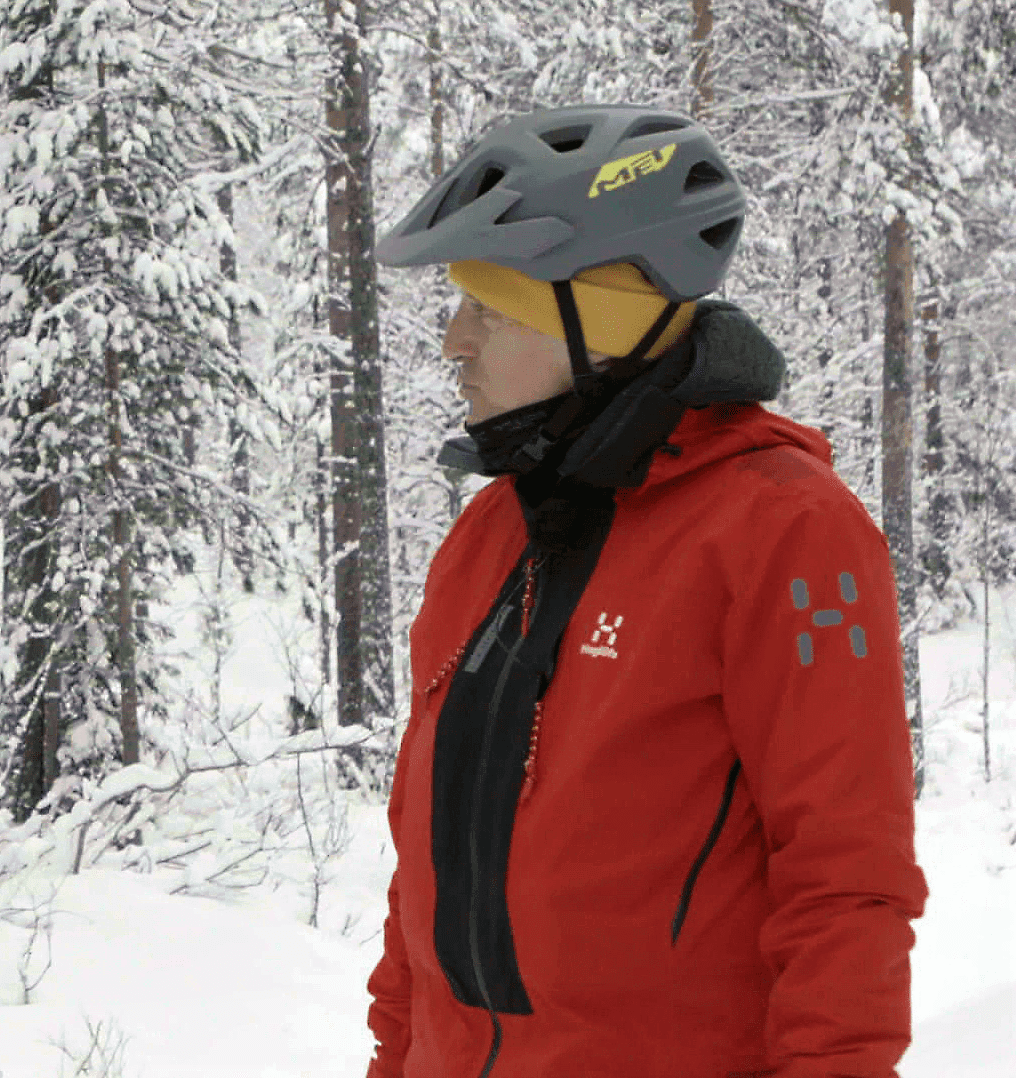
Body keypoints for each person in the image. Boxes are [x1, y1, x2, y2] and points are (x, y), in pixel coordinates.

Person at [360, 105, 928, 1078]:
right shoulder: (488, 534)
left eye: (489, 308)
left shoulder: (784, 532)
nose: (454, 342)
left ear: (603, 316)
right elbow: (427, 866)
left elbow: (844, 879)